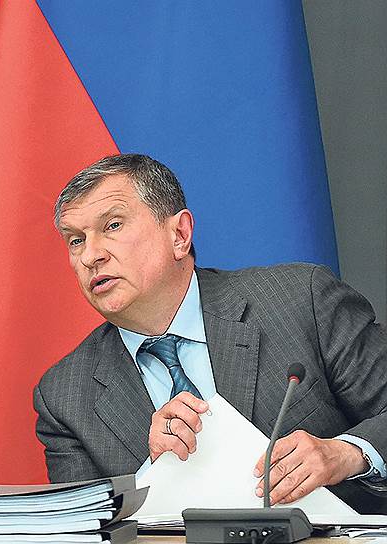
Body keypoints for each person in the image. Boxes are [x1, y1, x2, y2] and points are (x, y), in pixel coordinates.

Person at [34, 153, 387, 512]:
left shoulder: (300, 301)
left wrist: (348, 453)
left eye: (112, 225)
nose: (90, 256)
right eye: (76, 240)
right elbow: (83, 524)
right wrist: (155, 473)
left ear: (179, 234)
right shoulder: (64, 396)